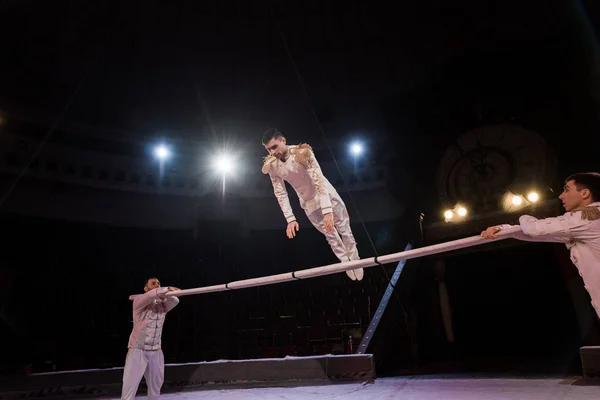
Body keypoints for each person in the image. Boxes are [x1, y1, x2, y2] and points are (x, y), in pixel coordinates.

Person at [481, 172, 600, 318]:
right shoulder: (586, 221)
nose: (561, 196)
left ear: (585, 193)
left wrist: (524, 215)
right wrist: (503, 229)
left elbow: (532, 229)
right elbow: (534, 233)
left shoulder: (584, 218)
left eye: (567, 189)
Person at [261, 128, 364, 281]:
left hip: (325, 195)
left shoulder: (302, 153)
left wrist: (327, 210)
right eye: (268, 149)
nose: (272, 152)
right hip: (308, 202)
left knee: (344, 229)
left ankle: (354, 259)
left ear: (283, 140)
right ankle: (345, 261)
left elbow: (318, 179)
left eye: (274, 147)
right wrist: (290, 218)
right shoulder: (272, 165)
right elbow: (280, 193)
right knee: (331, 236)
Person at [121, 277, 180, 400]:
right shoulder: (139, 300)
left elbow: (175, 301)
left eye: (159, 283)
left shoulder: (163, 305)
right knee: (129, 387)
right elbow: (150, 296)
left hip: (156, 351)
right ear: (146, 288)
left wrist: (168, 293)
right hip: (138, 350)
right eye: (153, 283)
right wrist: (167, 289)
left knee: (156, 386)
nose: (157, 285)